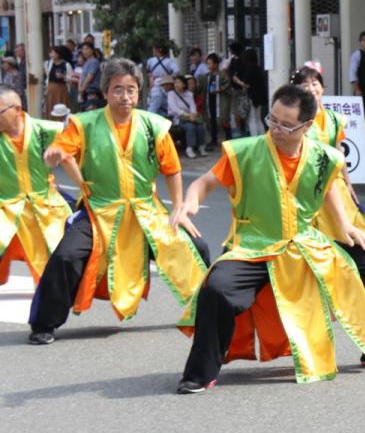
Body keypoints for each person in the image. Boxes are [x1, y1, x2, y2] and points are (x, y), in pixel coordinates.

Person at [173, 84, 365, 393]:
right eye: (272, 120)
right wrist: (189, 202)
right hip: (254, 247)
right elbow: (204, 183)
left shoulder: (323, 157)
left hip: (305, 243)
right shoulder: (244, 152)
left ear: (307, 126)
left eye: (286, 125)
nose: (276, 129)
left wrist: (345, 227)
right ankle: (199, 372)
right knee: (217, 289)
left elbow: (327, 188)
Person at [27, 58, 211, 345]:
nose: (125, 96)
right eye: (117, 90)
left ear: (139, 92)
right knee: (66, 256)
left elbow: (172, 170)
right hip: (99, 210)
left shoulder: (154, 126)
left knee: (196, 247)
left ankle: (207, 314)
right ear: (105, 92)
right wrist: (54, 154)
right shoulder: (83, 124)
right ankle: (44, 323)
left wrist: (178, 209)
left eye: (131, 90)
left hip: (145, 211)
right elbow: (61, 149)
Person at [290, 65, 365, 242]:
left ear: (322, 87)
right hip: (307, 185)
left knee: (348, 234)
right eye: (304, 85)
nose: (311, 88)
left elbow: (339, 153)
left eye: (314, 83)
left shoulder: (334, 118)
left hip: (334, 184)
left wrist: (349, 183)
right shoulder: (294, 118)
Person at [0, 84, 73, 285]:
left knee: (46, 271)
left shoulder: (47, 130)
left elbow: (80, 148)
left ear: (17, 109)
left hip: (43, 207)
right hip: (5, 208)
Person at [167, 74, 208, 159]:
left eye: (178, 82)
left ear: (184, 84)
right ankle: (189, 148)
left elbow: (193, 106)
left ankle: (201, 146)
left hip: (190, 117)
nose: (176, 84)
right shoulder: (171, 94)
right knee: (190, 127)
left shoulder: (189, 94)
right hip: (177, 119)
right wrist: (187, 115)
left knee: (200, 126)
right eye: (175, 82)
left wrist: (193, 114)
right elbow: (174, 109)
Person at [197, 53, 230, 149]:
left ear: (215, 64)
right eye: (207, 63)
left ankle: (228, 138)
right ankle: (213, 139)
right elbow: (200, 87)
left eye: (210, 63)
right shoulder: (206, 76)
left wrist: (220, 90)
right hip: (209, 100)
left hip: (220, 101)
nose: (208, 65)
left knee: (223, 119)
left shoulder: (222, 74)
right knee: (211, 120)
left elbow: (227, 85)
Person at [239, 49, 267, 136]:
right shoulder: (258, 68)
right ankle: (262, 138)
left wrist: (237, 80)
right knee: (258, 119)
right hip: (259, 97)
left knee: (252, 120)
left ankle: (255, 139)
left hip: (251, 97)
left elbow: (246, 84)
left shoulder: (249, 69)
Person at [145, 45, 178, 116]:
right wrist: (170, 78)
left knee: (153, 107)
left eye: (154, 49)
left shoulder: (150, 60)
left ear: (158, 50)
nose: (153, 51)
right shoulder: (169, 61)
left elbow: (145, 70)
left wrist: (150, 77)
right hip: (166, 84)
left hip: (155, 85)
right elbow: (177, 71)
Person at [44, 46, 71, 114]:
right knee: (51, 106)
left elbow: (71, 78)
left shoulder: (66, 64)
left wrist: (63, 76)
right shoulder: (48, 64)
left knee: (61, 107)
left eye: (53, 52)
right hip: (51, 89)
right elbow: (47, 76)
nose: (51, 55)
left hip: (61, 89)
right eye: (50, 53)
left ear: (58, 53)